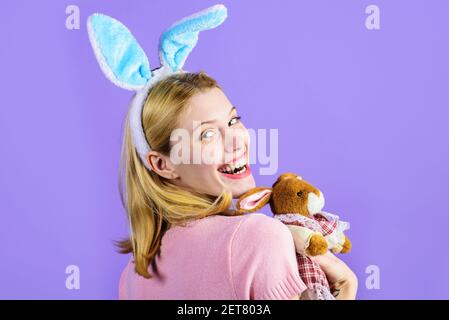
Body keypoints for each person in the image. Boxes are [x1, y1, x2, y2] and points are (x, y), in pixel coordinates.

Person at [116, 71, 357, 300]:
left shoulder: (132, 276)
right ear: (162, 164)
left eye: (233, 120)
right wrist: (347, 286)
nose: (237, 141)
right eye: (207, 135)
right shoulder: (258, 237)